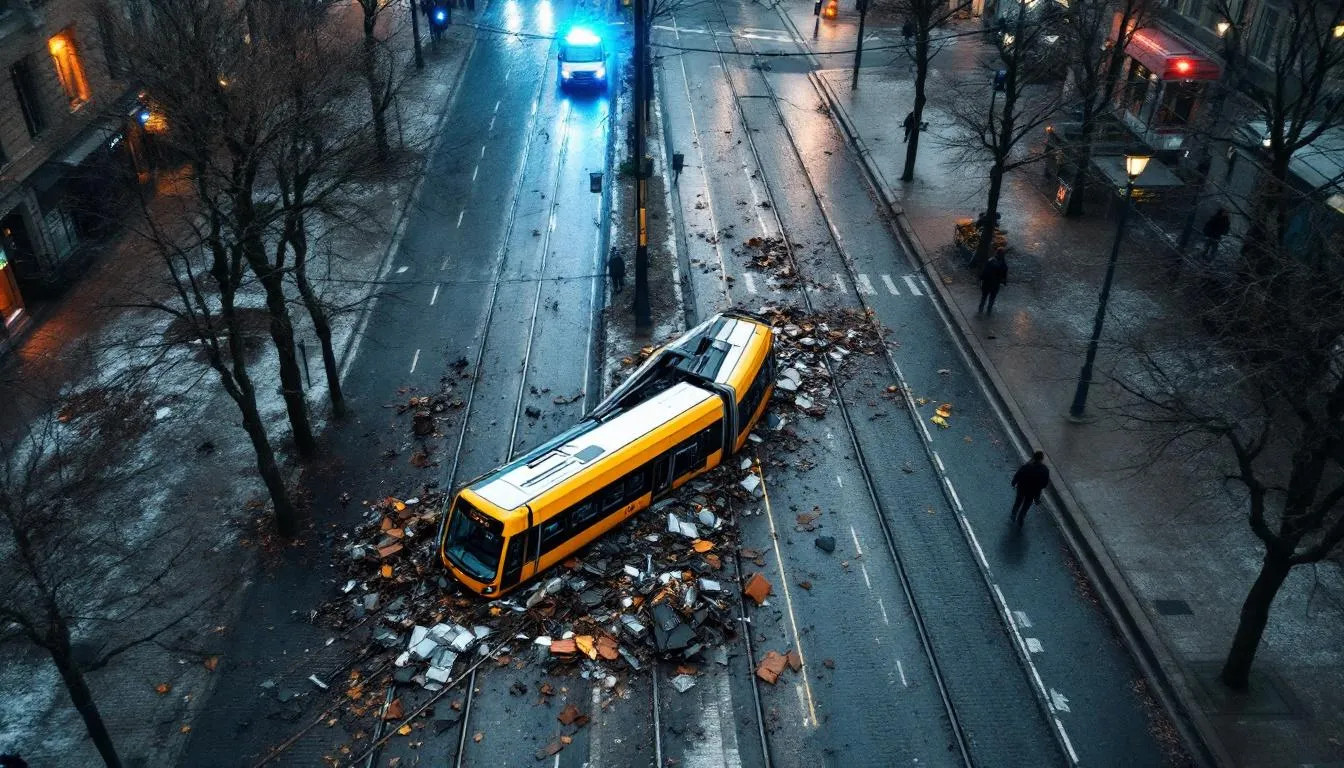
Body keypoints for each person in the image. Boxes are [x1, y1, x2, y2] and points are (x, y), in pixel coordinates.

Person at [1010, 451, 1050, 528]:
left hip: (1022, 488)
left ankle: (1014, 514)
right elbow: (1044, 484)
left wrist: (1014, 482)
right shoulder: (1045, 470)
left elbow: (1018, 474)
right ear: (1042, 459)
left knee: (1018, 501)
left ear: (1034, 457)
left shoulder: (1027, 466)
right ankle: (1021, 516)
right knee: (1026, 505)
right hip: (1033, 492)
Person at [978, 248, 1007, 313]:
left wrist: (981, 278)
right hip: (995, 285)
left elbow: (984, 272)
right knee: (992, 298)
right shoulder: (1003, 263)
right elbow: (1004, 274)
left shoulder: (991, 261)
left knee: (984, 297)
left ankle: (981, 310)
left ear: (997, 253)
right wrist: (1004, 282)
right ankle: (988, 311)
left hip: (987, 283)